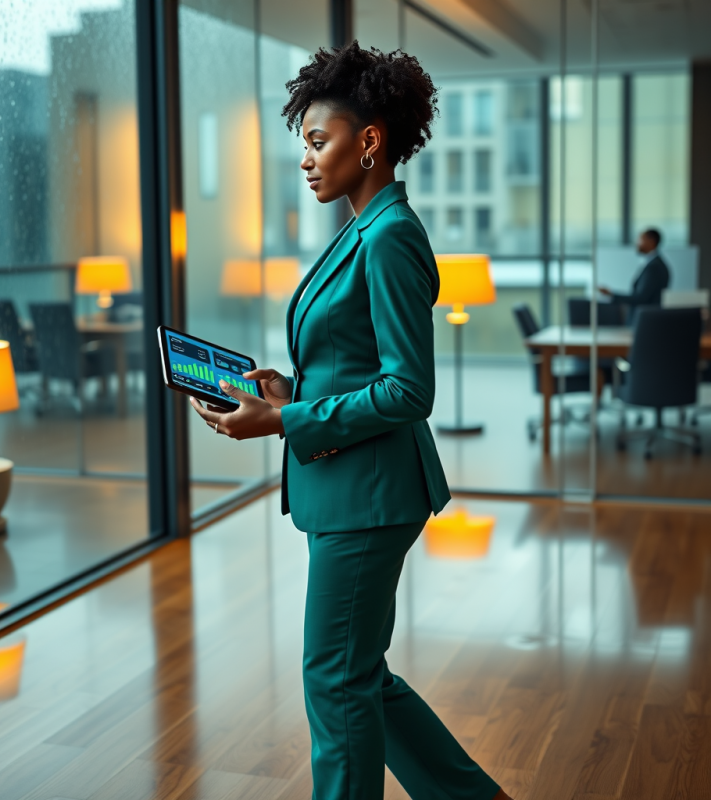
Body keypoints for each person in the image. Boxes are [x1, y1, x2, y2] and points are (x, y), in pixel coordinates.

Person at [189, 41, 511, 800]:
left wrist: (285, 422)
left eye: (317, 140)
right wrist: (288, 389)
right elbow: (359, 360)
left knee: (336, 680)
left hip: (369, 495)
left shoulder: (390, 235)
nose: (305, 159)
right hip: (351, 489)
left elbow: (408, 389)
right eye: (303, 143)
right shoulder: (363, 229)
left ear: (368, 141)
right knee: (358, 674)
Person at [599, 228, 671, 316]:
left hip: (646, 318)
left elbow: (641, 298)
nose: (637, 243)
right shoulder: (653, 264)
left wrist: (612, 295)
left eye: (640, 240)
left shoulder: (654, 267)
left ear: (651, 241)